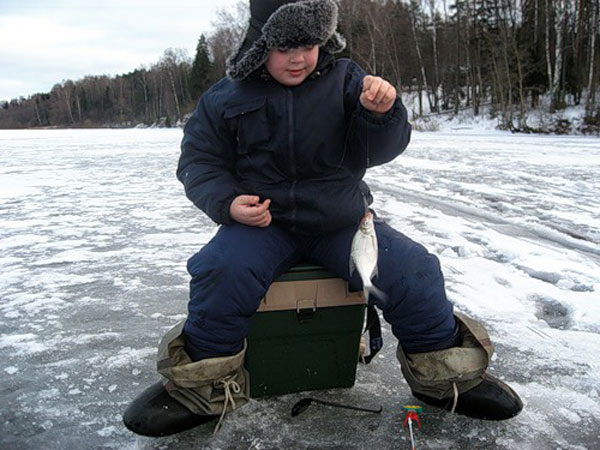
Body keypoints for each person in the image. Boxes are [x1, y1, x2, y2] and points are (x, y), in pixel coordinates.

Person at [123, 0, 522, 437]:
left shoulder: (347, 80)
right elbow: (199, 163)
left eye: (308, 44)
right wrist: (228, 203)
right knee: (220, 271)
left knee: (414, 270)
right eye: (284, 47)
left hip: (341, 224)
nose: (298, 58)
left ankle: (445, 379)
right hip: (263, 225)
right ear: (260, 44)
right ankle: (201, 390)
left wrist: (382, 114)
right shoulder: (226, 96)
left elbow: (379, 150)